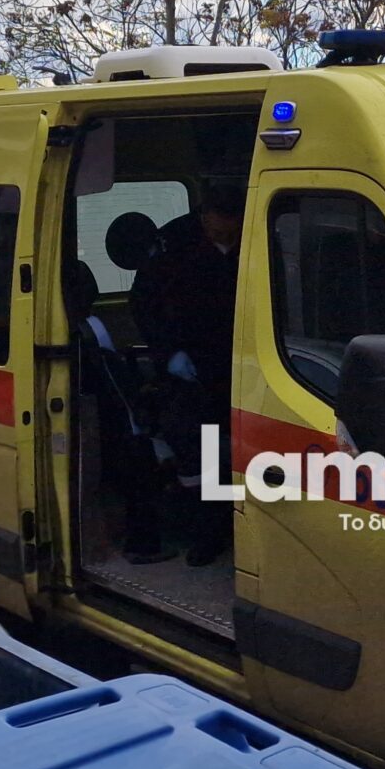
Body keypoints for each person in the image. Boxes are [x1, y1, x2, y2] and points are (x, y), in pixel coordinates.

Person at [150, 181, 246, 567]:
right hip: (196, 370)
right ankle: (208, 533)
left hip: (245, 365)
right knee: (201, 452)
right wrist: (169, 353)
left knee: (246, 452)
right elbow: (150, 306)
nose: (216, 227)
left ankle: (240, 528)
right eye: (209, 218)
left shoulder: (260, 244)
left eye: (224, 221)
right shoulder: (178, 248)